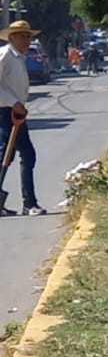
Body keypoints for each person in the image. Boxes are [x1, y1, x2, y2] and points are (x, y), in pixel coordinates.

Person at [0, 21, 45, 217]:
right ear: (11, 37)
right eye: (22, 36)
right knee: (20, 155)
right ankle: (30, 203)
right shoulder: (5, 56)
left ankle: (27, 202)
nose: (27, 40)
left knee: (10, 156)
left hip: (16, 112)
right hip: (5, 111)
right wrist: (13, 102)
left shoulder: (18, 58)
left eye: (28, 36)